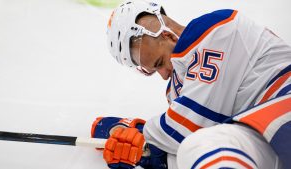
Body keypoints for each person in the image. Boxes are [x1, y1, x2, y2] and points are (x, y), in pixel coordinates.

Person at [92, 0, 291, 168]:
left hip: (283, 105)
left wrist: (139, 134)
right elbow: (182, 145)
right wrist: (143, 153)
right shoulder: (178, 90)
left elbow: (186, 128)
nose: (163, 76)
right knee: (198, 148)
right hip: (267, 136)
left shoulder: (214, 29)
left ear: (168, 35)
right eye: (153, 71)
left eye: (160, 63)